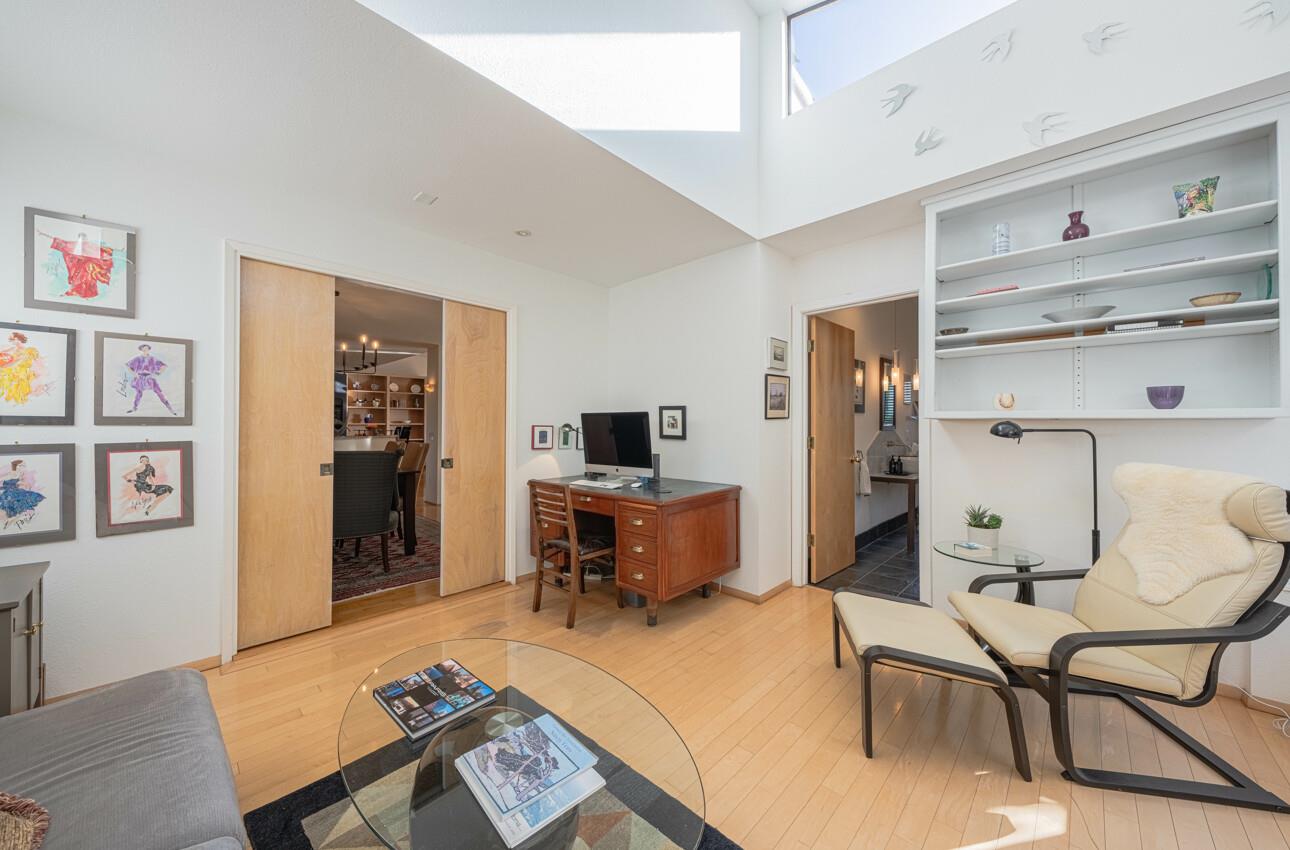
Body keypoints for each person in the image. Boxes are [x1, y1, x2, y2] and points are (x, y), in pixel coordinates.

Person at [36, 228, 114, 299]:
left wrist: (111, 253)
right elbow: (61, 243)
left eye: (84, 237)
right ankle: (75, 291)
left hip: (88, 266)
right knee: (77, 278)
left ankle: (88, 294)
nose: (82, 239)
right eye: (81, 237)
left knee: (88, 277)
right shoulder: (74, 245)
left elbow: (102, 252)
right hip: (77, 265)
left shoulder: (91, 246)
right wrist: (43, 234)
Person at [124, 343, 178, 415]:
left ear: (149, 349)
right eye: (143, 349)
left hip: (149, 378)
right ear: (141, 350)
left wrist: (157, 373)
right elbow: (127, 365)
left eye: (147, 348)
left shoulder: (153, 359)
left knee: (159, 392)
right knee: (139, 393)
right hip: (140, 378)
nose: (145, 350)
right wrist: (135, 374)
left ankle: (170, 409)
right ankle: (134, 408)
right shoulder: (137, 358)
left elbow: (164, 366)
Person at [0, 460, 45, 530]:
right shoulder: (13, 474)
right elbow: (8, 482)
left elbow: (26, 484)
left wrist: (21, 484)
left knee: (12, 498)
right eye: (20, 466)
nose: (21, 468)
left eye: (22, 466)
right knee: (7, 497)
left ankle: (10, 517)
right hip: (12, 489)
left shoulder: (24, 475)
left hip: (18, 491)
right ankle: (9, 517)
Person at [0, 332, 42, 406]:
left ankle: (17, 402)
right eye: (10, 340)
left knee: (14, 385)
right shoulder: (14, 348)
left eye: (12, 339)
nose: (11, 341)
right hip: (13, 370)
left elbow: (15, 362)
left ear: (18, 339)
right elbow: (3, 353)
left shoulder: (26, 351)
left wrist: (4, 365)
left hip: (20, 373)